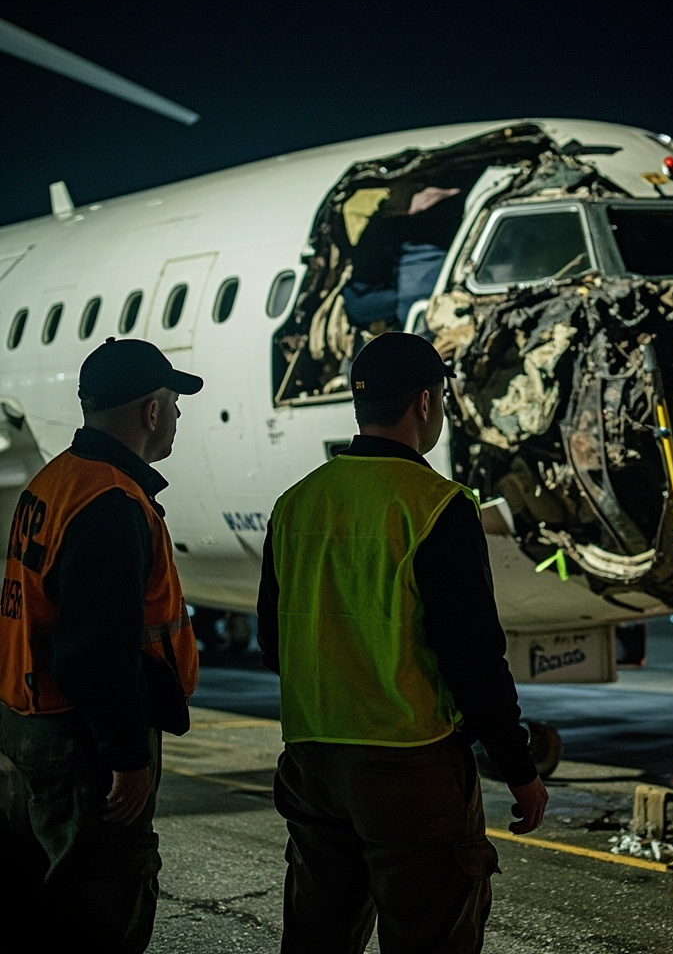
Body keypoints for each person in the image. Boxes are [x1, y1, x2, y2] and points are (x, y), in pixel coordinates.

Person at [257, 330, 548, 954]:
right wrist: (518, 766)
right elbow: (473, 658)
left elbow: (271, 639)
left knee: (317, 934)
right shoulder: (436, 505)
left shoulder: (295, 504)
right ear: (425, 403)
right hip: (408, 763)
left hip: (311, 759)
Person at [0, 336, 203, 952]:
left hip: (30, 725)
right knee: (103, 898)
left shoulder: (55, 482)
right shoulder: (111, 503)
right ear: (149, 412)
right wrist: (126, 759)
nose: (176, 417)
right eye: (172, 402)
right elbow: (94, 653)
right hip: (81, 742)